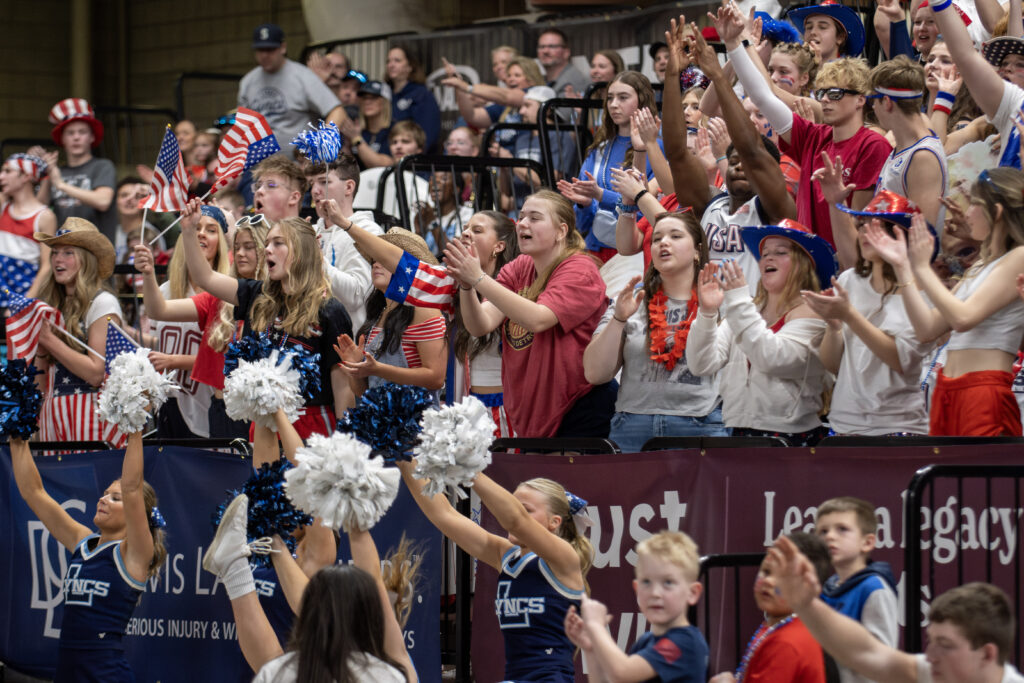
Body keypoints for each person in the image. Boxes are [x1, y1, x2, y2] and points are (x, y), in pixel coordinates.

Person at [321, 189, 615, 438]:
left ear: (562, 230)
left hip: (577, 406)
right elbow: (480, 324)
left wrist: (476, 280)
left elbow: (538, 318)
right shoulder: (520, 268)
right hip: (528, 412)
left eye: (534, 218)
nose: (523, 222)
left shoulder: (579, 268)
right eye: (522, 216)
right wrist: (465, 286)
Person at [201, 411, 412, 682]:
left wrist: (282, 418)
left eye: (297, 504)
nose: (288, 505)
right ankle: (232, 567)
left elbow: (311, 476)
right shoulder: (264, 545)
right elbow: (263, 474)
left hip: (298, 665)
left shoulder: (313, 557)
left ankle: (233, 570)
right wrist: (265, 412)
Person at [863, 168, 1024, 436]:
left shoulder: (1019, 256)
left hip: (984, 390)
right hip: (947, 390)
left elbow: (963, 319)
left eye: (974, 203)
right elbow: (927, 329)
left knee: (979, 477)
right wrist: (905, 266)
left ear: (996, 212)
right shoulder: (982, 265)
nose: (966, 212)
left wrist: (923, 269)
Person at [178, 198, 352, 439]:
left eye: (278, 243)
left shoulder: (330, 311)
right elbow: (205, 277)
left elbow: (342, 387)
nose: (267, 249)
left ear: (301, 252)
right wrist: (188, 231)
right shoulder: (257, 295)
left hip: (310, 426)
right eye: (267, 243)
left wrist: (345, 442)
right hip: (262, 424)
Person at [402, 459, 590, 682]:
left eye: (526, 509)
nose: (515, 512)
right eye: (514, 503)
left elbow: (515, 520)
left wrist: (469, 467)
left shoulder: (564, 558)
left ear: (554, 522)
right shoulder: (506, 556)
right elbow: (444, 515)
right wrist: (403, 455)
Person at [723, 3, 891, 248]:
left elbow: (861, 225)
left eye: (834, 93)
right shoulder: (813, 135)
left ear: (860, 99)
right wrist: (734, 44)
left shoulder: (873, 144)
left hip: (845, 265)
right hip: (806, 262)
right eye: (822, 92)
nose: (824, 99)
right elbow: (763, 96)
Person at [9, 431, 165, 682]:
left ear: (135, 516)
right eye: (104, 494)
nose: (103, 500)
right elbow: (33, 492)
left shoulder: (133, 553)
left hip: (105, 674)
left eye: (115, 498)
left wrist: (135, 429)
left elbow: (133, 488)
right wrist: (19, 434)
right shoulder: (83, 543)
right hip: (67, 671)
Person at [765, 536, 1024, 683]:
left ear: (988, 654)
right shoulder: (936, 672)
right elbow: (865, 652)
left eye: (945, 644)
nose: (930, 654)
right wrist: (806, 602)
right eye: (931, 640)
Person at [584, 211, 726, 452]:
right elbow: (595, 373)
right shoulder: (630, 300)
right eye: (657, 238)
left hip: (699, 425)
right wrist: (618, 319)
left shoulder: (721, 301)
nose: (664, 243)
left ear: (696, 251)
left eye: (676, 236)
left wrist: (710, 312)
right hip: (632, 427)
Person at [687, 219, 837, 446]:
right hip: (737, 433)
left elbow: (773, 358)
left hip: (792, 439)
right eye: (764, 253)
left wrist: (737, 300)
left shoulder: (813, 314)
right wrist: (707, 313)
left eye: (780, 252)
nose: (768, 257)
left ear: (803, 263)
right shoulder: (745, 309)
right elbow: (701, 364)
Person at [802, 190, 932, 436]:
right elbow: (834, 365)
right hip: (844, 424)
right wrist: (834, 326)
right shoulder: (850, 280)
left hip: (896, 428)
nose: (865, 233)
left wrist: (850, 315)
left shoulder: (920, 291)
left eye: (880, 226)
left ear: (903, 236)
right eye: (862, 225)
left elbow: (901, 360)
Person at [133, 211, 268, 440]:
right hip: (221, 408)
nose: (241, 254)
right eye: (237, 247)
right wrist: (148, 274)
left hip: (262, 409)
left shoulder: (278, 300)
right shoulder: (218, 298)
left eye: (250, 247)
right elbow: (159, 310)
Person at [565, 531, 709, 682]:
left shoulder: (684, 643)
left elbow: (622, 673)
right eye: (646, 582)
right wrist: (591, 648)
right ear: (636, 588)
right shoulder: (646, 642)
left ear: (693, 593)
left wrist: (595, 626)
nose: (655, 593)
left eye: (668, 582)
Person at [35, 218, 125, 446]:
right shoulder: (53, 303)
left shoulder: (103, 303)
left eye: (68, 252)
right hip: (52, 415)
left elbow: (96, 373)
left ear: (86, 260)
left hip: (90, 416)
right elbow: (42, 374)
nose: (58, 259)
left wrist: (48, 340)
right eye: (54, 252)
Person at [147, 204, 231, 439]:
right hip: (167, 402)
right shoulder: (164, 291)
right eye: (196, 228)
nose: (201, 233)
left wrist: (174, 361)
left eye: (211, 229)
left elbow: (224, 361)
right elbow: (159, 343)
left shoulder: (227, 294)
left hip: (207, 404)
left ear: (221, 244)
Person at [335, 228, 447, 402]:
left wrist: (377, 369)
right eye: (374, 259)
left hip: (416, 422)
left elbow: (436, 378)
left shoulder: (424, 309)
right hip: (378, 422)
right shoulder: (378, 313)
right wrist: (356, 367)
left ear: (408, 268)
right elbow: (362, 392)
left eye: (385, 258)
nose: (376, 264)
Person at [557, 71, 660, 260]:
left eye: (623, 97)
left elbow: (651, 205)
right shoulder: (600, 148)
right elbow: (583, 223)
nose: (613, 104)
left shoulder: (657, 148)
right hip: (595, 248)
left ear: (642, 102)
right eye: (610, 98)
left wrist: (600, 195)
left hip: (637, 249)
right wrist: (584, 204)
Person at [709, 532, 832, 683]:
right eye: (766, 572)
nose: (769, 582)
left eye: (783, 578)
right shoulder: (778, 623)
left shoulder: (787, 644)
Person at [447, 211, 519, 436]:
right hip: (467, 407)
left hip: (502, 410)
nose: (467, 234)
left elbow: (479, 326)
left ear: (499, 246)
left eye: (477, 230)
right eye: (466, 229)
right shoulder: (453, 283)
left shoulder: (510, 287)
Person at [814, 497, 898, 683]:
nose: (830, 537)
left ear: (867, 542)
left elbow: (879, 659)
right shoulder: (827, 588)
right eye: (823, 531)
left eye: (842, 529)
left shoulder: (874, 589)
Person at [305, 154, 384, 331]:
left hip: (349, 344)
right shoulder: (311, 231)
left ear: (348, 187)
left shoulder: (368, 232)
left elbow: (357, 297)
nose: (315, 191)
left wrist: (316, 260)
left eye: (324, 182)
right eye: (312, 184)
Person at [237, 23, 345, 152]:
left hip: (300, 164)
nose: (264, 55)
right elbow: (243, 127)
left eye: (270, 49)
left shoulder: (302, 76)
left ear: (282, 48)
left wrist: (322, 146)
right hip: (262, 163)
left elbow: (337, 111)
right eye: (260, 50)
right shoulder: (248, 82)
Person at [36, 98, 118, 244]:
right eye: (70, 133)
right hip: (63, 252)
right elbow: (38, 209)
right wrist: (47, 174)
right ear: (62, 139)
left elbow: (103, 201)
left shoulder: (103, 166)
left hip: (97, 252)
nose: (76, 137)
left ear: (92, 137)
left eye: (82, 132)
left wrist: (61, 185)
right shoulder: (57, 172)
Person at [0, 153, 56, 305]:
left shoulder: (44, 216)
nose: (1, 176)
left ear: (25, 176)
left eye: (7, 171)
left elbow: (47, 265)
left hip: (22, 297)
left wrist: (24, 302)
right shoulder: (3, 206)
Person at [354, 120, 431, 221]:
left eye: (405, 141)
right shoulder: (382, 175)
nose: (398, 146)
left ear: (419, 148)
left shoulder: (428, 179)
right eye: (394, 142)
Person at [386, 45, 441, 153]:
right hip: (388, 159)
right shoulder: (385, 95)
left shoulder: (422, 95)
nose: (391, 65)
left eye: (397, 60)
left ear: (410, 66)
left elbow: (428, 134)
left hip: (416, 162)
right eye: (388, 61)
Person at [787, 0, 867, 61]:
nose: (813, 32)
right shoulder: (795, 71)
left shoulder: (849, 79)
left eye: (822, 27)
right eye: (809, 27)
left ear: (840, 37)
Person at [343, 80, 394, 169]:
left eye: (373, 98)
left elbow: (383, 165)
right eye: (364, 98)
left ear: (385, 101)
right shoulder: (359, 130)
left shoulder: (394, 130)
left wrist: (356, 139)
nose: (367, 102)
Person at [537, 28, 590, 98]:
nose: (545, 51)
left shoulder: (573, 81)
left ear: (566, 52)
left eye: (552, 46)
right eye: (542, 47)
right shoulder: (541, 79)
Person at [252, 156, 305, 222]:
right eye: (258, 186)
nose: (259, 191)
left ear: (294, 197)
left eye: (271, 185)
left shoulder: (314, 231)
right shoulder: (245, 231)